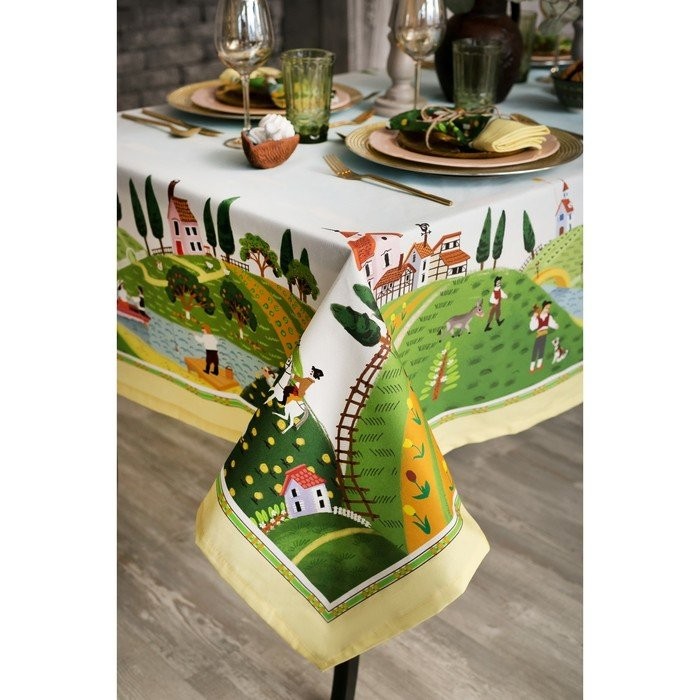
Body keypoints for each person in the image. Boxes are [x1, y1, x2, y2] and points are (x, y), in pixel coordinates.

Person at [529, 300, 559, 372]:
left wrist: (555, 326)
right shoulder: (538, 316)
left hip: (544, 334)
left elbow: (552, 323)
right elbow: (532, 327)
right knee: (536, 350)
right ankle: (532, 367)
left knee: (541, 349)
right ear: (543, 307)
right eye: (546, 308)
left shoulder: (548, 316)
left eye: (549, 308)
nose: (548, 310)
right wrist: (534, 317)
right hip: (539, 334)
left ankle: (539, 365)